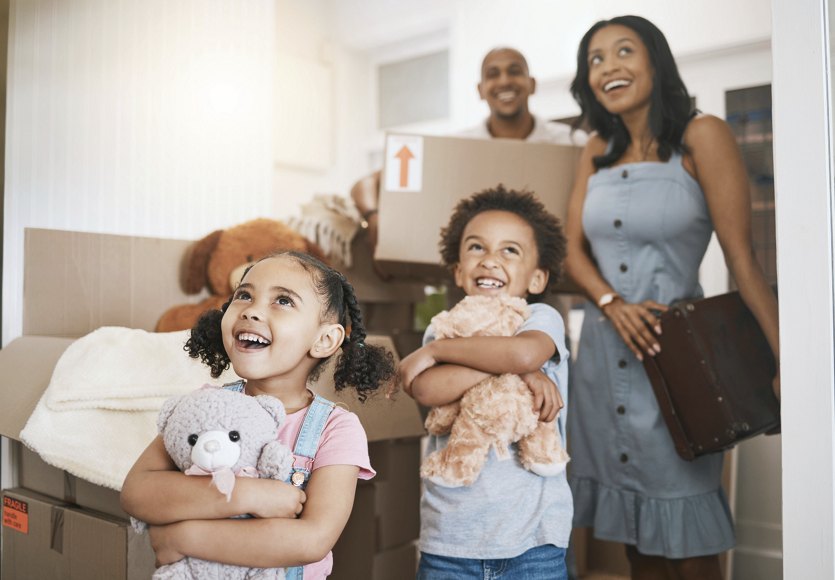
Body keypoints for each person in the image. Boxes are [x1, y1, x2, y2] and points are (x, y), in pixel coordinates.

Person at [564, 15, 780, 580]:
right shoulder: (595, 148)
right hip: (602, 364)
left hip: (677, 362)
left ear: (655, 62)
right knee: (635, 538)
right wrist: (611, 302)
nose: (609, 67)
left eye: (624, 51)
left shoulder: (702, 135)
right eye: (596, 59)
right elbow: (570, 250)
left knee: (690, 545)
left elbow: (743, 261)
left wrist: (785, 359)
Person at [121, 251, 396, 579]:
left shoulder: (335, 429)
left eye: (283, 300)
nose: (251, 310)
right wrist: (247, 494)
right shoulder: (206, 407)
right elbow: (138, 492)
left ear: (324, 339)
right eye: (244, 295)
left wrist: (183, 538)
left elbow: (313, 539)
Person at [398, 186, 572, 579]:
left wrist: (440, 353)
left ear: (538, 277)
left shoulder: (541, 319)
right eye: (477, 248)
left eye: (510, 251)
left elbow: (526, 353)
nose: (490, 260)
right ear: (459, 270)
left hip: (534, 540)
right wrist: (512, 366)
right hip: (451, 539)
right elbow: (427, 390)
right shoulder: (446, 327)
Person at [351, 46, 583, 248]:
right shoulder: (457, 148)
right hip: (470, 290)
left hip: (552, 288)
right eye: (493, 74)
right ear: (480, 90)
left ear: (532, 84)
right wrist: (373, 218)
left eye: (514, 71)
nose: (504, 81)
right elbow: (367, 184)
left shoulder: (572, 143)